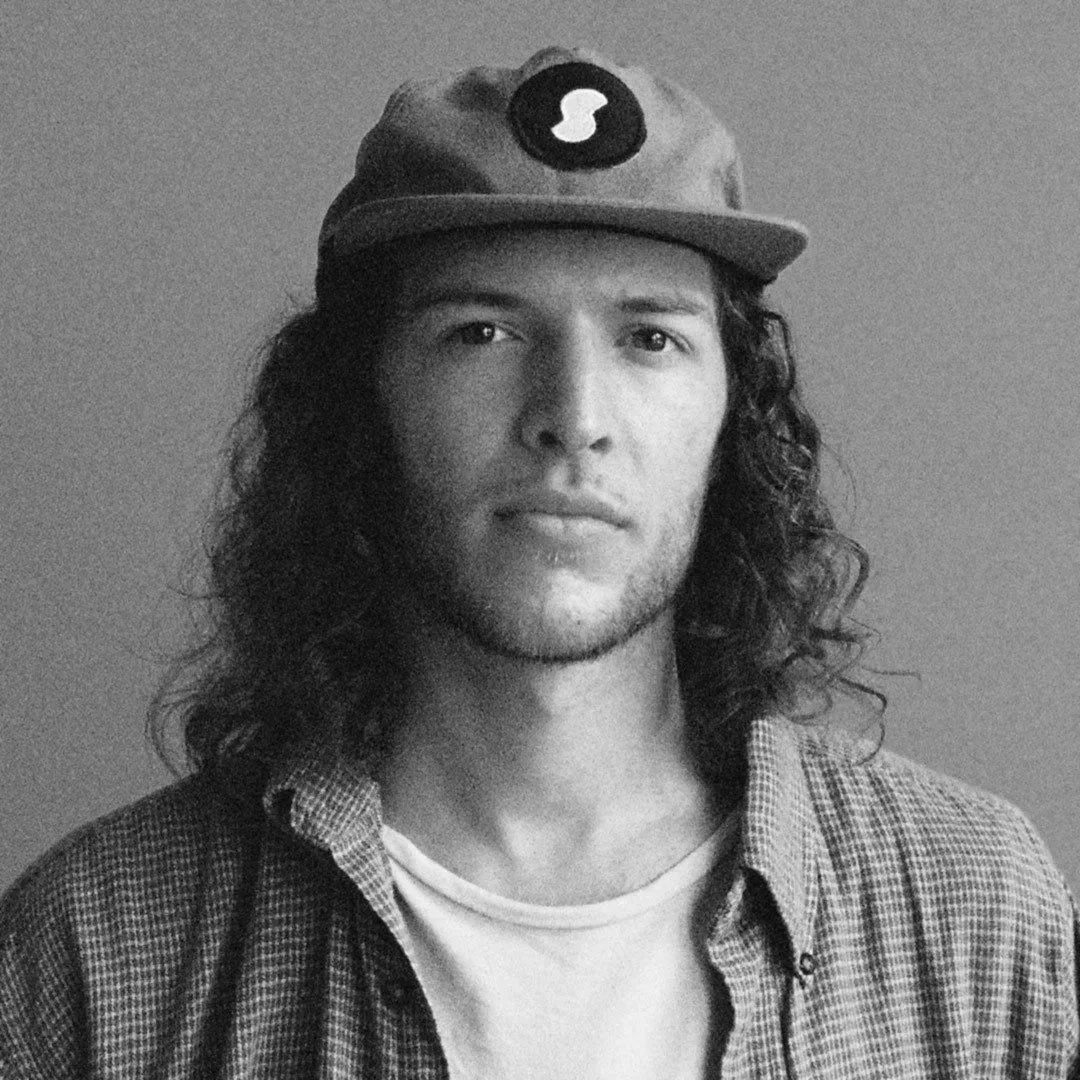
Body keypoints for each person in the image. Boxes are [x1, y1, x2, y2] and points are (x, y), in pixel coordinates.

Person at [1, 44, 1077, 1080]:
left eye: (649, 337)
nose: (573, 418)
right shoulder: (93, 947)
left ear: (730, 414)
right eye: (483, 333)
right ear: (359, 404)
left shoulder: (979, 909)